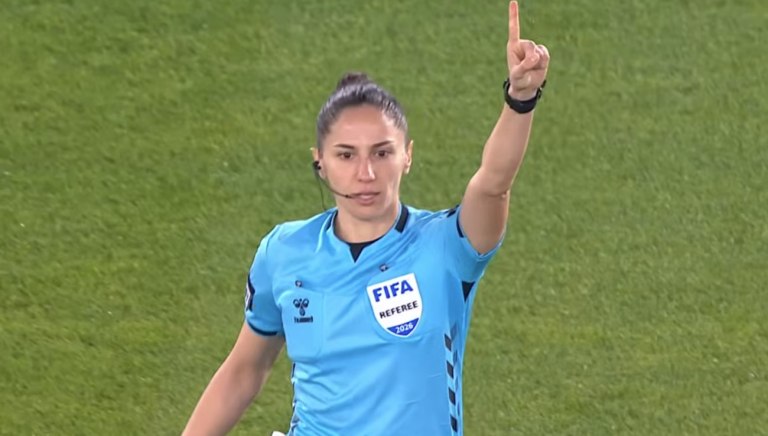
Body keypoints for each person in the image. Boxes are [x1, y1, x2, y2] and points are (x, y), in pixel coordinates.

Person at [182, 1, 549, 434]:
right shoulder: (283, 253)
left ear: (407, 156)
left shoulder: (447, 247)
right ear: (320, 162)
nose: (365, 174)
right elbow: (244, 371)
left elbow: (493, 183)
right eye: (346, 155)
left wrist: (520, 100)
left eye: (381, 152)